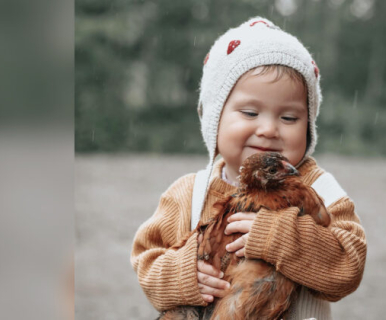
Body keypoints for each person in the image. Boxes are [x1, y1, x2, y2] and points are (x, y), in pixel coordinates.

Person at [131, 17, 367, 320]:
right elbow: (146, 260)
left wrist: (280, 238)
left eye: (290, 118)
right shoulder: (187, 193)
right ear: (214, 120)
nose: (269, 129)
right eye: (250, 112)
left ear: (309, 126)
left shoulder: (319, 187)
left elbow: (350, 267)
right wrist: (183, 276)